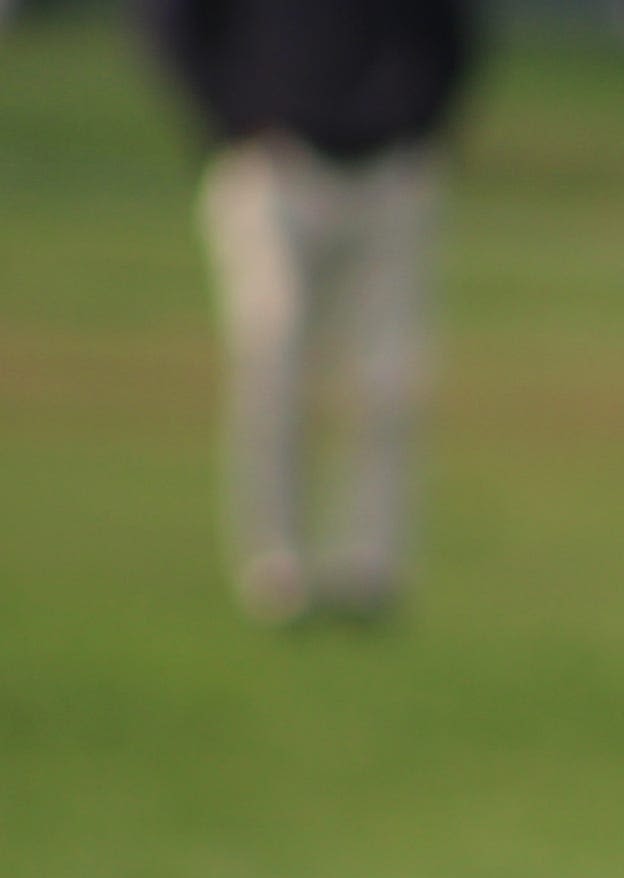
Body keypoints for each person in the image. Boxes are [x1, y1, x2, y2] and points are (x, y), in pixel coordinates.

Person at [142, 0, 476, 624]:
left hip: (391, 165)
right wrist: (230, 118)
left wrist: (423, 117)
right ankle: (275, 568)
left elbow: (452, 30)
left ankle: (369, 569)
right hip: (274, 160)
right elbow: (173, 22)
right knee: (273, 361)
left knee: (389, 382)